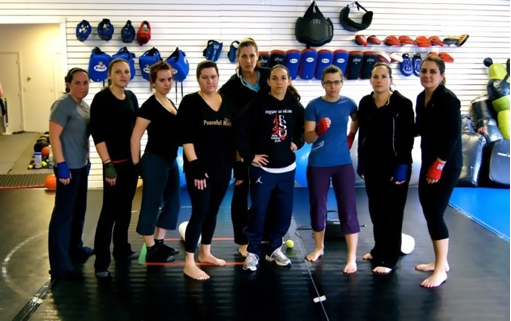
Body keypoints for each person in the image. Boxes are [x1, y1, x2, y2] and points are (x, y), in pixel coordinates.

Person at [235, 64, 305, 272]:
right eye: (275, 78)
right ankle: (253, 252)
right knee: (258, 211)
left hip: (286, 169)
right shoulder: (258, 103)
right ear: (269, 81)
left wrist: (298, 142)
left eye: (283, 78)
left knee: (283, 212)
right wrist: (250, 156)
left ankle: (274, 249)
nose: (279, 82)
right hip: (263, 171)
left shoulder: (295, 105)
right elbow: (239, 129)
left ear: (289, 80)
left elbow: (303, 128)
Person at [177, 60, 236, 280]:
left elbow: (233, 139)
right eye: (205, 77)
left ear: (218, 77)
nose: (210, 81)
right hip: (200, 170)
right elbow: (186, 138)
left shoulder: (228, 103)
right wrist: (196, 167)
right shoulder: (191, 102)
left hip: (223, 169)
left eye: (213, 76)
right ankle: (189, 262)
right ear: (198, 79)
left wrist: (236, 166)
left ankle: (206, 253)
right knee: (200, 212)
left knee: (212, 212)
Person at [357, 63, 415, 274]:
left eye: (383, 76)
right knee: (376, 210)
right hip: (373, 165)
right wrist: (362, 161)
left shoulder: (402, 104)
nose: (379, 80)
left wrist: (402, 165)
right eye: (375, 76)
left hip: (395, 166)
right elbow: (362, 134)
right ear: (371, 79)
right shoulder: (365, 103)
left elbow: (407, 139)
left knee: (392, 212)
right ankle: (379, 248)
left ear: (390, 79)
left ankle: (390, 257)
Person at [218, 37, 273, 258]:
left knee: (267, 193)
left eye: (252, 55)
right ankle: (242, 241)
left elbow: (288, 99)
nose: (248, 60)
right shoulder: (231, 87)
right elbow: (225, 118)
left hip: (269, 146)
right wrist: (238, 155)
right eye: (244, 56)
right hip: (243, 149)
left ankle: (267, 235)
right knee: (241, 191)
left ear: (258, 57)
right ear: (238, 59)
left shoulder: (270, 76)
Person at [303, 65, 359, 274]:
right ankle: (319, 247)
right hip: (318, 164)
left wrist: (351, 136)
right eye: (328, 82)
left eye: (336, 82)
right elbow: (308, 138)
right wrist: (318, 130)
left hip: (342, 163)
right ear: (322, 84)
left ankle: (351, 257)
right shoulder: (314, 106)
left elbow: (356, 119)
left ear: (341, 83)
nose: (332, 86)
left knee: (348, 208)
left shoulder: (349, 103)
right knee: (318, 207)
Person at [414, 55, 462, 288]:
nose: (427, 75)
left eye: (433, 71)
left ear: (442, 75)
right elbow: (419, 128)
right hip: (428, 160)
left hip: (446, 163)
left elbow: (452, 135)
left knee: (434, 212)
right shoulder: (421, 97)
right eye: (424, 71)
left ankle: (441, 268)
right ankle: (439, 261)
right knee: (428, 207)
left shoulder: (448, 99)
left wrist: (439, 164)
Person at [90, 58, 140, 278]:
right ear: (109, 75)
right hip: (113, 165)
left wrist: (137, 160)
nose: (123, 75)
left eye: (127, 71)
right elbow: (98, 135)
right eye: (118, 72)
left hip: (130, 163)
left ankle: (121, 248)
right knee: (109, 211)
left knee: (125, 208)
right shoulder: (101, 99)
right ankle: (101, 262)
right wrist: (107, 164)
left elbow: (136, 130)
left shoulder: (131, 97)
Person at [130, 60, 180, 263]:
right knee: (152, 203)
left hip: (170, 160)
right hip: (154, 161)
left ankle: (159, 242)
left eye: (169, 79)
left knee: (173, 203)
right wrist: (136, 166)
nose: (167, 83)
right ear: (153, 82)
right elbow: (135, 137)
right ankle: (150, 249)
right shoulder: (149, 106)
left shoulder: (169, 102)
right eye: (162, 80)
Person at [48, 67, 93, 281]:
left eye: (85, 83)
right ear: (68, 84)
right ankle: (59, 265)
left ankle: (76, 248)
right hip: (68, 169)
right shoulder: (62, 105)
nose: (82, 87)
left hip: (81, 166)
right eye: (77, 83)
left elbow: (84, 136)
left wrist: (88, 160)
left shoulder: (84, 106)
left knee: (79, 210)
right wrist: (62, 164)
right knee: (63, 215)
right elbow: (54, 137)